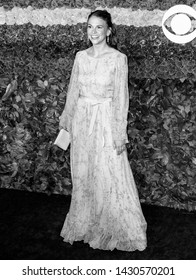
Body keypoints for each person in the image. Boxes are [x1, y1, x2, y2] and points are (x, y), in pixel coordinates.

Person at [59, 9, 147, 251]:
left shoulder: (118, 58)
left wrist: (120, 133)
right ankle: (86, 223)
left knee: (110, 171)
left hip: (107, 121)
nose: (93, 32)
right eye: (89, 27)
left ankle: (116, 225)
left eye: (99, 27)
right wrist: (67, 119)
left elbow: (121, 99)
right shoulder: (80, 57)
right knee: (85, 172)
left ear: (109, 30)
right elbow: (73, 89)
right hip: (82, 120)